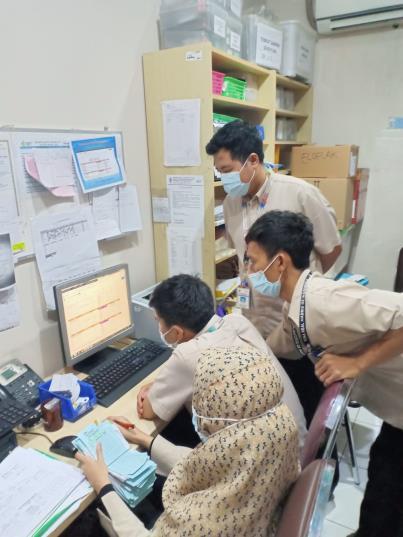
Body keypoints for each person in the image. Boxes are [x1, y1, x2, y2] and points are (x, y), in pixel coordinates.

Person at [244, 210, 403, 537]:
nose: (249, 272)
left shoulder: (325, 300)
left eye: (252, 261)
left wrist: (358, 362)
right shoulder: (296, 306)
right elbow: (277, 347)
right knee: (384, 481)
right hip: (395, 407)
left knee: (390, 484)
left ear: (280, 262)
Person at [76, 347, 300, 537]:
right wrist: (143, 438)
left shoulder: (205, 522)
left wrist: (103, 486)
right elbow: (206, 464)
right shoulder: (274, 429)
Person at [206, 120, 342, 339]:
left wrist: (298, 286)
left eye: (227, 170)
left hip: (295, 318)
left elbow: (331, 250)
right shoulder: (231, 203)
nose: (224, 179)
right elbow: (243, 257)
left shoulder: (301, 194)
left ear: (252, 160)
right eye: (219, 172)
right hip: (255, 317)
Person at [137, 274, 307, 448]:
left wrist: (153, 389)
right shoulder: (237, 321)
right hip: (299, 442)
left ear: (177, 332)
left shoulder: (187, 355)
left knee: (169, 434)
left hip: (270, 460)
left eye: (158, 321)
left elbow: (149, 411)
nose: (159, 327)